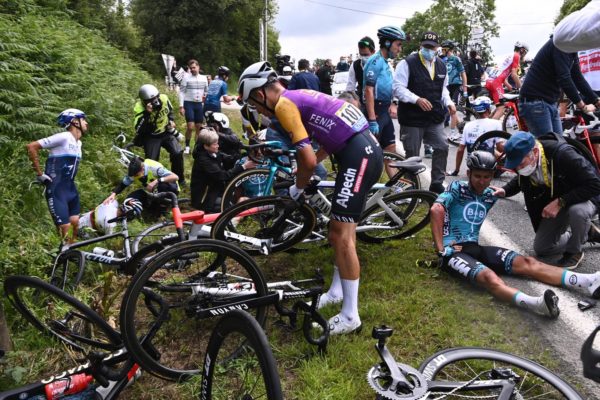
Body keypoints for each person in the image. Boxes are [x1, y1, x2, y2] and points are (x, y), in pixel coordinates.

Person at [238, 61, 383, 335]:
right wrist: (309, 169)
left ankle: (351, 315)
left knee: (342, 235)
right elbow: (329, 139)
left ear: (259, 94)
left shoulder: (283, 105)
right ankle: (338, 292)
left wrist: (298, 187)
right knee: (339, 232)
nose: (257, 111)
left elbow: (305, 160)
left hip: (358, 157)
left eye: (254, 106)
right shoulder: (297, 97)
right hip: (361, 151)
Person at [431, 150, 600, 318]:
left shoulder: (490, 195)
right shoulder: (457, 188)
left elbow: (521, 181)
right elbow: (436, 209)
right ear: (468, 174)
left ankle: (587, 280)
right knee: (489, 277)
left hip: (475, 248)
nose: (482, 181)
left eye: (486, 177)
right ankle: (536, 304)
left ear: (492, 176)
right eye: (477, 176)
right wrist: (441, 249)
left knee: (528, 262)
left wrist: (505, 190)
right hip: (453, 253)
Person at [496, 131, 600, 269]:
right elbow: (521, 178)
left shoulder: (563, 154)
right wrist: (505, 190)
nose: (518, 169)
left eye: (520, 164)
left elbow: (595, 184)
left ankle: (574, 251)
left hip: (585, 196)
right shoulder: (529, 161)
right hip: (560, 198)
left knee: (578, 212)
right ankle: (586, 233)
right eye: (515, 166)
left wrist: (560, 202)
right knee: (543, 248)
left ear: (534, 152)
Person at [393, 31, 455, 194]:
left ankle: (436, 183)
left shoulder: (441, 65)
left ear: (437, 48)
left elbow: (443, 89)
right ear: (421, 46)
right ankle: (411, 188)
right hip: (412, 118)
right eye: (426, 46)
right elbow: (398, 88)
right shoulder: (407, 63)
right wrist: (416, 99)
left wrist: (449, 103)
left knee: (442, 146)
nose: (429, 50)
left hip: (434, 117)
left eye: (432, 47)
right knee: (412, 155)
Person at [26, 109, 87, 243]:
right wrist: (39, 173)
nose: (86, 123)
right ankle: (66, 257)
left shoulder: (79, 143)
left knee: (75, 223)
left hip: (71, 188)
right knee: (65, 229)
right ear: (75, 122)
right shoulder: (64, 137)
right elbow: (31, 146)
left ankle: (72, 256)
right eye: (83, 120)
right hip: (57, 189)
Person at [519, 38, 599, 137]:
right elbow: (564, 78)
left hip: (549, 101)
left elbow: (578, 78)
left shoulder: (572, 49)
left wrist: (596, 100)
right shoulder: (560, 44)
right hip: (535, 101)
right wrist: (583, 106)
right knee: (550, 147)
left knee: (559, 144)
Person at [363, 26, 405, 176]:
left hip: (384, 109)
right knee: (370, 154)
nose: (399, 49)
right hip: (376, 110)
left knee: (390, 150)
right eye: (398, 44)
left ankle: (395, 189)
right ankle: (363, 187)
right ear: (387, 43)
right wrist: (372, 119)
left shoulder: (385, 62)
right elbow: (368, 90)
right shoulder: (375, 62)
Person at [190, 128, 255, 212]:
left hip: (215, 188)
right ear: (206, 146)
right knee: (228, 209)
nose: (218, 146)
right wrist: (244, 167)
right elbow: (222, 176)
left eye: (217, 143)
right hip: (204, 197)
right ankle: (206, 209)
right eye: (215, 144)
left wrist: (246, 154)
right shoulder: (203, 160)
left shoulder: (212, 152)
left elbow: (229, 158)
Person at [134, 84, 185, 184]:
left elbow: (169, 111)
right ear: (144, 101)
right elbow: (138, 128)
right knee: (151, 162)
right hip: (151, 136)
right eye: (151, 100)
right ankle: (153, 183)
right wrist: (147, 114)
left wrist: (171, 120)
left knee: (177, 153)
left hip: (165, 132)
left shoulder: (164, 98)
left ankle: (178, 178)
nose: (155, 101)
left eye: (156, 97)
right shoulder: (139, 107)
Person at [103, 156, 179, 218]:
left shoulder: (154, 167)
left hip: (170, 188)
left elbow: (175, 177)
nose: (135, 177)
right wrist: (113, 194)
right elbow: (123, 184)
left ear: (142, 169)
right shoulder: (134, 173)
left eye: (136, 175)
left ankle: (163, 207)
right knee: (134, 196)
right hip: (152, 191)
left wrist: (157, 181)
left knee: (163, 185)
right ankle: (125, 214)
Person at [448, 96, 502, 176]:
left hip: (472, 164)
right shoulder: (496, 123)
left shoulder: (468, 125)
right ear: (488, 109)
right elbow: (500, 147)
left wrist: (456, 171)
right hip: (488, 163)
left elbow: (460, 150)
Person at [485, 42, 528, 119]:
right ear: (522, 50)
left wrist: (510, 87)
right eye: (525, 52)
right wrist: (520, 88)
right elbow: (514, 74)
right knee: (501, 109)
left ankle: (487, 121)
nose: (525, 54)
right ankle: (490, 128)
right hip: (495, 83)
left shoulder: (509, 55)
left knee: (500, 105)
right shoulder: (516, 56)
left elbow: (502, 76)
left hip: (490, 81)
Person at [178, 59, 209, 154]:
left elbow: (206, 91)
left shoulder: (204, 78)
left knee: (199, 127)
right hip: (189, 103)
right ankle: (187, 147)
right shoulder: (186, 78)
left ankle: (196, 147)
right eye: (191, 68)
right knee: (190, 127)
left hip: (199, 104)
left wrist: (204, 98)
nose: (193, 69)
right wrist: (181, 106)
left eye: (194, 67)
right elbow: (182, 92)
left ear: (198, 67)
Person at [439, 40, 467, 141]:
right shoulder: (441, 59)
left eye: (443, 49)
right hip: (446, 86)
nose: (442, 50)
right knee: (448, 109)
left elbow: (463, 73)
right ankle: (460, 126)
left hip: (456, 85)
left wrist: (465, 88)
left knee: (452, 108)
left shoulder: (456, 59)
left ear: (448, 49)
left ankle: (453, 133)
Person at [346, 36, 376, 109]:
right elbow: (350, 87)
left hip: (379, 105)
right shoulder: (355, 65)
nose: (363, 57)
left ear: (373, 52)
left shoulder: (383, 64)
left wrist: (394, 102)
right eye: (361, 54)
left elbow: (392, 85)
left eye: (366, 55)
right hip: (363, 104)